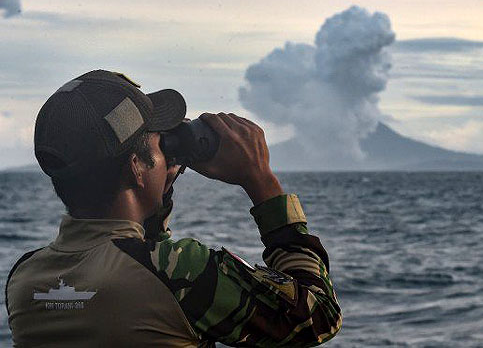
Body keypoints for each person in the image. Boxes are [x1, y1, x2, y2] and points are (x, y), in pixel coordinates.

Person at [5, 70, 342, 347]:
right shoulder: (180, 272)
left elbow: (135, 256)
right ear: (137, 166)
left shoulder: (25, 278)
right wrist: (262, 183)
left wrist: (158, 183)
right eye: (159, 141)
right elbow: (317, 317)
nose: (168, 151)